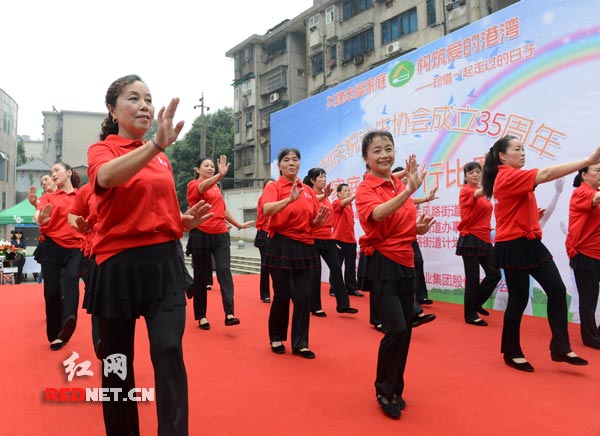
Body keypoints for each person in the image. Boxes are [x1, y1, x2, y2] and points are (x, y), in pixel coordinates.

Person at [85, 74, 211, 435]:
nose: (144, 105)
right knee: (117, 364)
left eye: (148, 99)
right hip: (118, 266)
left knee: (169, 350)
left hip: (164, 265)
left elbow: (158, 209)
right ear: (112, 109)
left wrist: (182, 221)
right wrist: (155, 145)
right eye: (133, 98)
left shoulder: (161, 158)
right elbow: (106, 178)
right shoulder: (103, 150)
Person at [482, 134, 596, 372]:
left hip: (530, 242)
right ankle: (512, 352)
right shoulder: (506, 176)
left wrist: (532, 216)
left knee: (556, 289)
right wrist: (588, 159)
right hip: (513, 246)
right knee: (519, 299)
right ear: (502, 156)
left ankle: (560, 347)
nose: (522, 152)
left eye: (523, 149)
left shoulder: (514, 177)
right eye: (517, 149)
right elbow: (545, 175)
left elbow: (513, 208)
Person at [355, 131, 434, 419]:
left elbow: (402, 224)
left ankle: (396, 388)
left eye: (388, 149)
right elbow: (377, 215)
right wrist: (408, 191)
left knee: (407, 331)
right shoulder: (367, 188)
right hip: (383, 264)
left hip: (405, 262)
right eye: (377, 151)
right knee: (396, 329)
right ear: (366, 158)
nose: (384, 155)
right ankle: (382, 388)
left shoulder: (397, 184)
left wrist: (418, 229)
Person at [262, 148, 330, 359]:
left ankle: (301, 343)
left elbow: (311, 218)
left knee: (303, 296)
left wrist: (316, 222)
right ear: (280, 165)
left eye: (295, 159)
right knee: (282, 294)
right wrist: (288, 200)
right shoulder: (274, 186)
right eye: (286, 160)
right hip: (281, 244)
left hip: (305, 246)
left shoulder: (307, 191)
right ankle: (276, 336)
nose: (291, 163)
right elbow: (267, 210)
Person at [186, 155, 253, 330]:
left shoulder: (215, 187)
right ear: (197, 170)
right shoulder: (194, 185)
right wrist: (220, 175)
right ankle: (201, 316)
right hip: (201, 234)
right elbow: (202, 186)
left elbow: (222, 209)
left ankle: (229, 313)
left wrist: (238, 224)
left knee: (224, 271)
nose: (210, 168)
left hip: (221, 234)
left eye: (212, 166)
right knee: (201, 276)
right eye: (206, 166)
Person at [34, 162, 84, 351]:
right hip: (51, 246)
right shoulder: (48, 197)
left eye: (57, 170)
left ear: (69, 173)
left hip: (76, 247)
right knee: (52, 291)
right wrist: (40, 218)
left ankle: (68, 321)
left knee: (72, 279)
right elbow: (38, 214)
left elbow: (93, 214)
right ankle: (55, 334)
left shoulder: (81, 195)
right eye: (51, 172)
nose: (53, 174)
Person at [303, 168, 358, 317]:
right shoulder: (308, 195)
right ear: (313, 180)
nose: (324, 179)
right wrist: (322, 196)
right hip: (313, 238)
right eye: (321, 177)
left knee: (336, 269)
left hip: (328, 238)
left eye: (325, 176)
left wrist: (334, 239)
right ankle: (315, 307)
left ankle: (343, 305)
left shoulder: (326, 197)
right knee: (316, 273)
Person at [456, 162, 501, 326]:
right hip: (470, 239)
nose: (475, 175)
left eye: (478, 172)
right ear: (465, 176)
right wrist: (498, 181)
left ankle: (475, 303)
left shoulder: (482, 195)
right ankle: (470, 315)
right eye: (471, 173)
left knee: (495, 274)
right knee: (473, 279)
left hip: (484, 239)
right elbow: (478, 193)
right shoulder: (466, 191)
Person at [566, 164, 600, 350]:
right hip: (585, 254)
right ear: (584, 175)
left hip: (598, 253)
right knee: (589, 299)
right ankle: (590, 338)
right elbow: (595, 198)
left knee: (591, 298)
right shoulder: (581, 192)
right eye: (598, 170)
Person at [331, 183, 364, 297]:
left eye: (349, 190)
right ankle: (334, 288)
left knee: (350, 266)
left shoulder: (351, 205)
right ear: (339, 193)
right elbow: (343, 203)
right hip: (338, 240)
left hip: (351, 240)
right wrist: (354, 196)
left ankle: (351, 288)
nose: (348, 192)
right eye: (345, 190)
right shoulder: (336, 203)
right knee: (337, 266)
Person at [254, 178, 275, 303]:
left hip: (276, 234)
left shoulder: (279, 199)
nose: (271, 189)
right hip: (264, 234)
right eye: (268, 187)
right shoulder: (263, 199)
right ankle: (265, 294)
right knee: (266, 265)